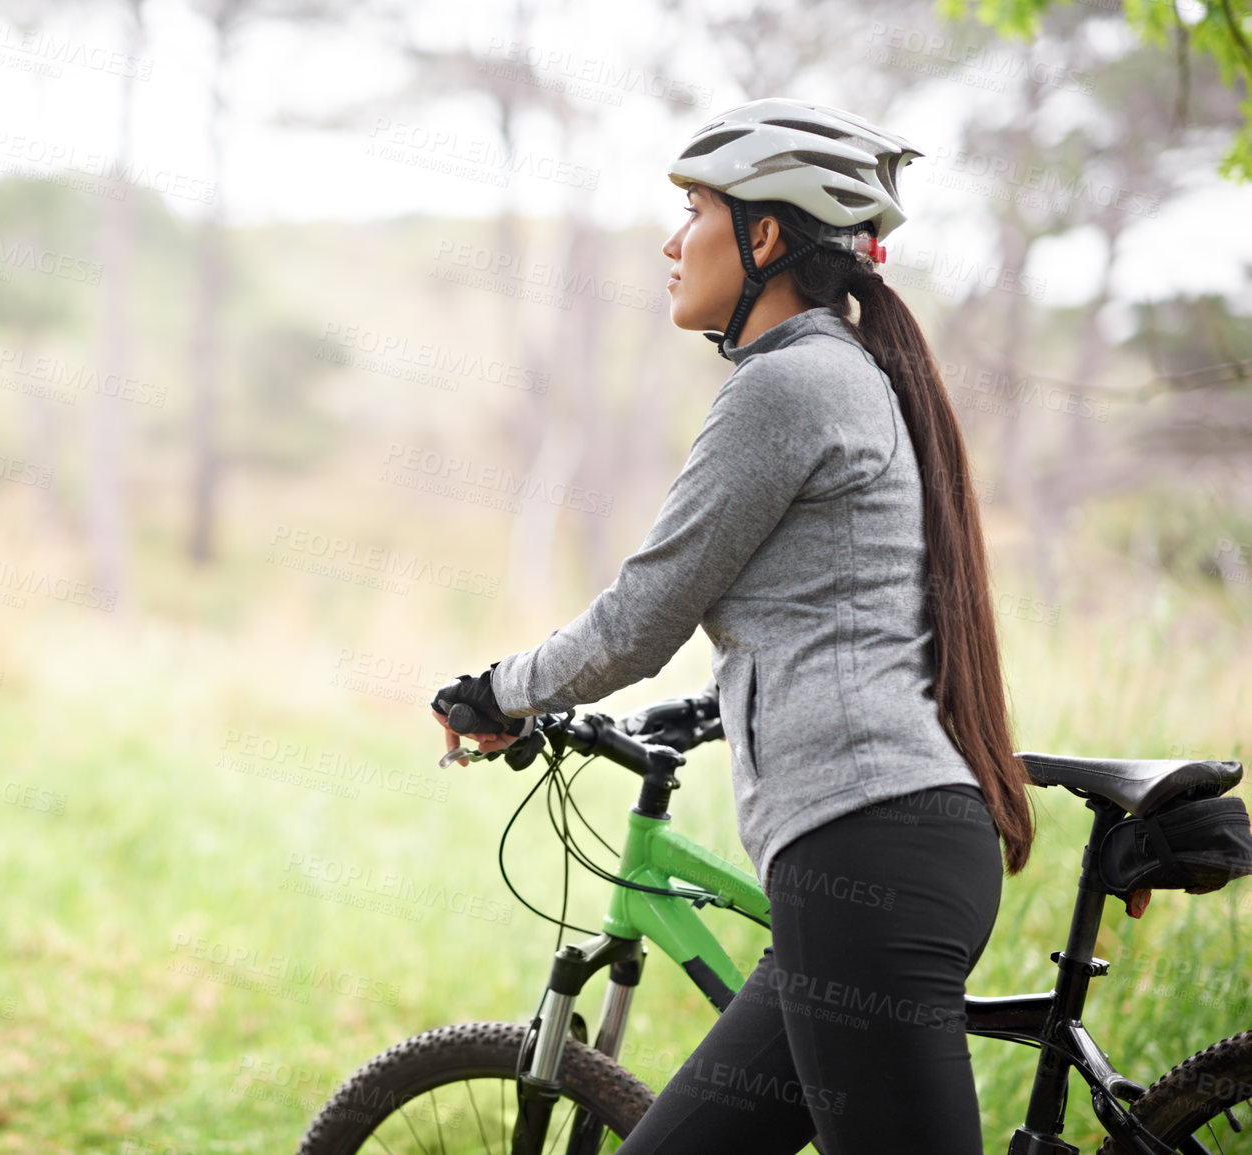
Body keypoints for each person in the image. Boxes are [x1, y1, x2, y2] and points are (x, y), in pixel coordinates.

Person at [429, 98, 1034, 1152]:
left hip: (869, 857)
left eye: (694, 211)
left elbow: (635, 619)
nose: (672, 242)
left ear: (764, 236)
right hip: (864, 865)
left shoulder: (789, 385)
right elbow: (835, 615)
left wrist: (497, 692)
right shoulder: (842, 376)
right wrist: (711, 708)